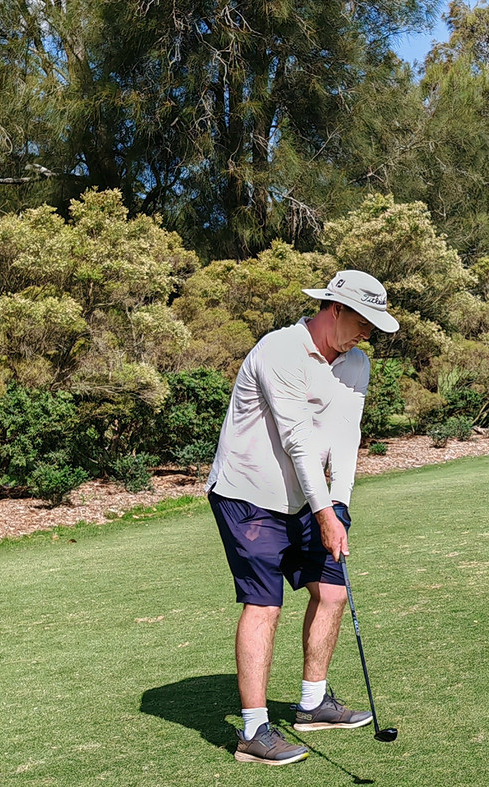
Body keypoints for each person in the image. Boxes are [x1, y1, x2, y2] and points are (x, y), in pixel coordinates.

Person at [206, 270, 399, 765]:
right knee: (264, 605)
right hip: (248, 493)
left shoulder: (356, 363)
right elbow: (297, 439)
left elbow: (346, 438)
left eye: (373, 327)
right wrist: (325, 512)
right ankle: (254, 732)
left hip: (307, 498)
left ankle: (313, 704)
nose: (367, 334)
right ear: (334, 309)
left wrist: (340, 506)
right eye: (362, 322)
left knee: (332, 591)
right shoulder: (281, 351)